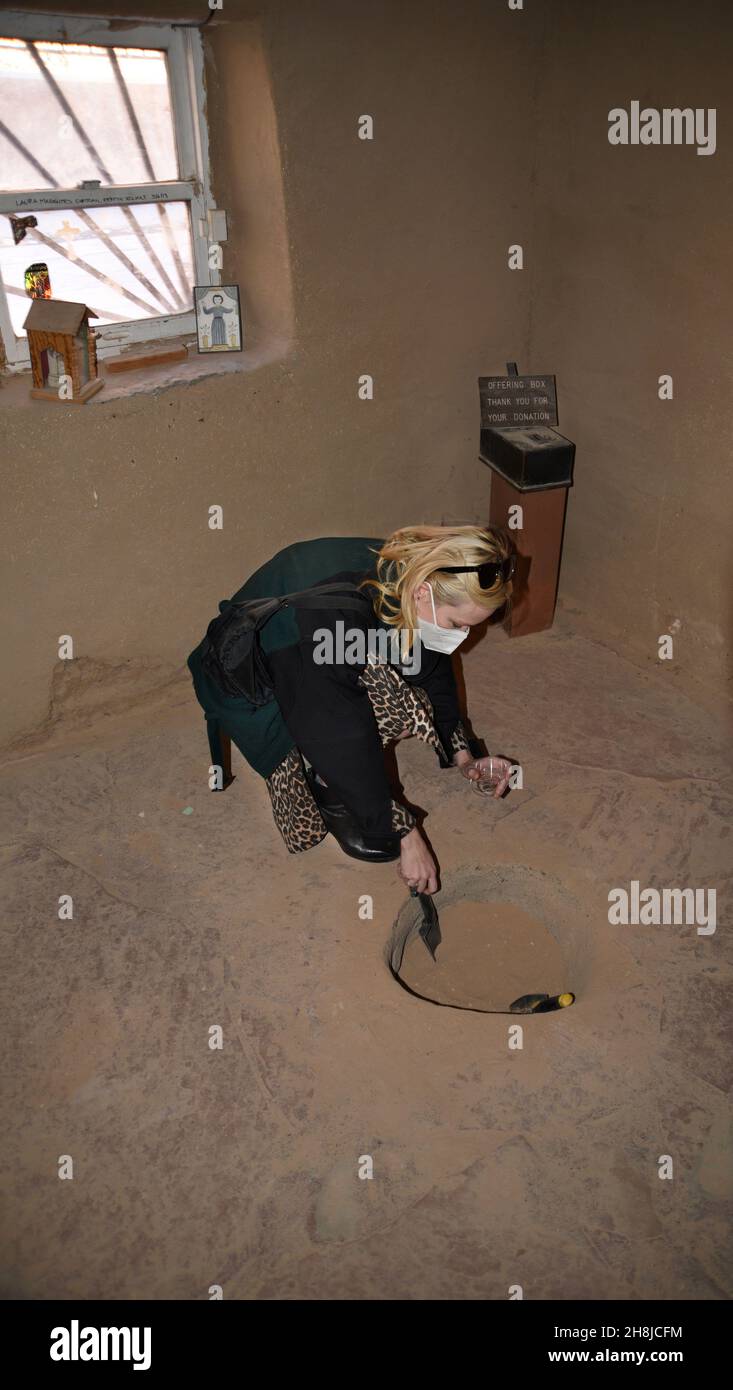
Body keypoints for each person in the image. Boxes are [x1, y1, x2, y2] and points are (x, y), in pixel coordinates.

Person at [187, 524, 515, 894]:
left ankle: (354, 784)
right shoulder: (332, 622)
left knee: (406, 680)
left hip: (318, 656)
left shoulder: (413, 572)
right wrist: (403, 831)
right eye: (458, 624)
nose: (461, 637)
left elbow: (431, 664)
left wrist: (464, 757)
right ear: (424, 592)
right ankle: (330, 786)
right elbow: (337, 731)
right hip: (250, 678)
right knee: (325, 772)